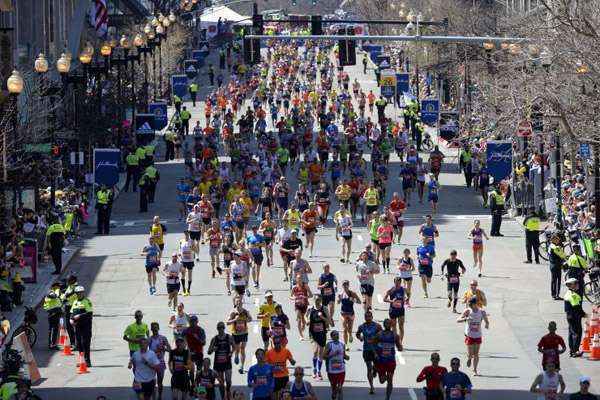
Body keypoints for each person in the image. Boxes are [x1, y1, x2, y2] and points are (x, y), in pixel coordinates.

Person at [457, 296, 490, 375]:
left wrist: (487, 324)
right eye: (469, 303)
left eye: (470, 304)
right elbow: (458, 320)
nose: (469, 305)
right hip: (469, 335)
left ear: (475, 304)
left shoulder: (482, 312)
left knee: (476, 354)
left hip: (478, 335)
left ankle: (475, 370)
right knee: (470, 353)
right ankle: (469, 358)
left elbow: (486, 320)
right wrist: (466, 319)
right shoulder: (467, 311)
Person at [373, 318, 402, 400]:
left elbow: (399, 347)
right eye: (386, 324)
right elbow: (373, 345)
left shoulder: (395, 335)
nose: (388, 325)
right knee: (382, 381)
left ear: (392, 325)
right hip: (381, 361)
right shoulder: (379, 334)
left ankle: (387, 397)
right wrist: (375, 353)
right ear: (384, 325)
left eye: (389, 324)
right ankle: (376, 369)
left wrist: (400, 347)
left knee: (390, 380)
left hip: (390, 361)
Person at [356, 310, 381, 394]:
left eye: (369, 317)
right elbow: (357, 334)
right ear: (364, 318)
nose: (368, 318)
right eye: (366, 317)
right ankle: (371, 386)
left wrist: (376, 339)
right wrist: (360, 338)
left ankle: (375, 370)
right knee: (368, 368)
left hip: (376, 350)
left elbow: (382, 335)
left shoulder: (377, 326)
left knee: (376, 366)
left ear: (372, 317)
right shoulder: (362, 326)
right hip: (366, 350)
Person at [208, 322, 234, 400]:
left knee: (228, 381)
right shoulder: (214, 339)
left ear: (224, 328)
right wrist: (213, 349)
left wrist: (231, 353)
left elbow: (234, 346)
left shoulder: (229, 337)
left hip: (227, 362)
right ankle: (223, 397)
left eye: (222, 328)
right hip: (218, 363)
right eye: (219, 328)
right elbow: (209, 351)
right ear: (217, 329)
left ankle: (228, 390)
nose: (221, 329)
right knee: (221, 382)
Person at [227, 297, 252, 374]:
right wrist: (235, 320)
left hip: (244, 333)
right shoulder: (233, 312)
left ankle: (241, 366)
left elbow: (250, 319)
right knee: (237, 349)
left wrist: (245, 319)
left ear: (242, 303)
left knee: (243, 349)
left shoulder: (245, 312)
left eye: (240, 302)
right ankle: (236, 355)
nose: (238, 303)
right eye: (237, 302)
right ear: (235, 303)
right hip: (235, 333)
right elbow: (227, 322)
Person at [70, 285, 93, 366]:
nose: (80, 294)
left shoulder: (87, 301)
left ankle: (87, 361)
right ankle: (81, 361)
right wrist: (71, 319)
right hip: (78, 326)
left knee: (85, 343)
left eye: (81, 293)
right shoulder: (75, 302)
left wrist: (79, 316)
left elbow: (89, 313)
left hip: (86, 326)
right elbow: (72, 313)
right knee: (79, 343)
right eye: (78, 293)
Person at [563, 277, 586, 357]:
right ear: (571, 286)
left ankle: (572, 350)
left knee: (571, 332)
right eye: (575, 283)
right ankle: (575, 351)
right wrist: (584, 314)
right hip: (574, 317)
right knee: (577, 333)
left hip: (569, 316)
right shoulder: (574, 296)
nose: (577, 284)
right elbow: (577, 308)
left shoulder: (568, 293)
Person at [308, 296, 330, 380]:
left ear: (321, 300)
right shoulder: (311, 308)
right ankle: (314, 369)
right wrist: (307, 321)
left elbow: (329, 321)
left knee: (320, 352)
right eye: (316, 300)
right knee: (315, 351)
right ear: (314, 300)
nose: (317, 301)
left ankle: (319, 371)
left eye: (319, 300)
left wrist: (322, 317)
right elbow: (306, 317)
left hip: (322, 333)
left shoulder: (324, 309)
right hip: (313, 333)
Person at [324, 330, 349, 400]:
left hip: (341, 369)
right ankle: (334, 392)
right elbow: (323, 356)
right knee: (334, 387)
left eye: (337, 334)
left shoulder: (342, 344)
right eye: (334, 335)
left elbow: (344, 355)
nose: (336, 336)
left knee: (340, 387)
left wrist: (347, 357)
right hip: (332, 370)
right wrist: (332, 354)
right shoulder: (329, 345)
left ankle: (339, 395)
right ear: (331, 337)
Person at [148, 322, 171, 400]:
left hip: (160, 362)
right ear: (151, 329)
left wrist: (163, 348)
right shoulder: (149, 339)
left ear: (158, 328)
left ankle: (160, 396)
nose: (155, 329)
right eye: (153, 328)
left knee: (160, 382)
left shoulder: (163, 338)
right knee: (152, 382)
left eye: (156, 327)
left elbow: (170, 349)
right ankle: (154, 397)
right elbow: (144, 350)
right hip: (152, 363)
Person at [337, 281, 361, 350]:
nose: (345, 286)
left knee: (349, 329)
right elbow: (338, 302)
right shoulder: (340, 294)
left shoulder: (352, 293)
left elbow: (359, 302)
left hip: (351, 313)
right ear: (342, 286)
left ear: (348, 285)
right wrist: (339, 299)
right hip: (343, 313)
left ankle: (350, 334)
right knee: (345, 329)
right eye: (344, 285)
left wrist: (353, 300)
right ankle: (346, 345)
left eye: (346, 285)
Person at [184, 315, 206, 381]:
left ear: (197, 322)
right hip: (190, 352)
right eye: (191, 321)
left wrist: (197, 338)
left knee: (199, 370)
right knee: (191, 369)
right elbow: (181, 339)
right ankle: (193, 384)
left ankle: (197, 384)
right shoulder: (186, 330)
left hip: (199, 352)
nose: (193, 323)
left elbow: (203, 343)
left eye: (194, 321)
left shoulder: (201, 330)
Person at [42, 281, 63, 350]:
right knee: (53, 329)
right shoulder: (50, 292)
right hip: (52, 313)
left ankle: (53, 343)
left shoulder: (55, 292)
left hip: (56, 312)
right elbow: (53, 296)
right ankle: (52, 344)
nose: (59, 288)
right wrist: (57, 292)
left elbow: (58, 300)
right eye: (58, 286)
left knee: (55, 329)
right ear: (54, 286)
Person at [548, 234, 567, 300]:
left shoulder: (550, 246)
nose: (559, 241)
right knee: (557, 281)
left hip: (552, 265)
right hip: (556, 265)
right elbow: (563, 255)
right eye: (557, 240)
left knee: (553, 280)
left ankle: (553, 294)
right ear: (554, 240)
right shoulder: (555, 247)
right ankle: (556, 295)